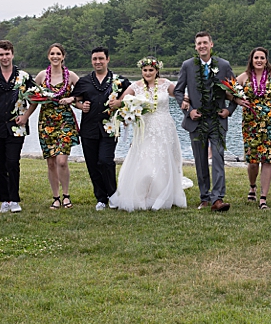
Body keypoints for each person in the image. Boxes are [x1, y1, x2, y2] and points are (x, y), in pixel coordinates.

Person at [109, 57, 187, 211]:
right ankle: (143, 193)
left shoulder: (165, 84)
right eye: (145, 70)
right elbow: (122, 101)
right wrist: (114, 105)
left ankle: (163, 193)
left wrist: (188, 101)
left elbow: (179, 95)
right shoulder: (135, 86)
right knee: (145, 158)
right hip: (145, 128)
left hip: (165, 127)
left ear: (157, 71)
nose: (148, 73)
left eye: (151, 70)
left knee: (163, 158)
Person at [174, 32, 237, 212]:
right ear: (195, 47)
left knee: (218, 157)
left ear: (211, 44)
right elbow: (178, 91)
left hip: (217, 120)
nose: (202, 46)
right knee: (200, 160)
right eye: (198, 43)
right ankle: (204, 197)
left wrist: (229, 110)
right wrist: (188, 110)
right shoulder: (188, 65)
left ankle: (218, 198)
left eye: (205, 43)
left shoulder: (223, 65)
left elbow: (236, 90)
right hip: (197, 120)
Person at [21, 43, 80, 209]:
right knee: (51, 162)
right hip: (46, 121)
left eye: (58, 54)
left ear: (63, 57)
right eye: (52, 53)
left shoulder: (71, 76)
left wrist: (73, 99)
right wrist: (25, 117)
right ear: (48, 56)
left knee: (62, 160)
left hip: (65, 120)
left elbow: (84, 91)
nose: (55, 56)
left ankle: (66, 195)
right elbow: (33, 100)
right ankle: (55, 197)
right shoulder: (41, 76)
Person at [0, 40, 35, 213]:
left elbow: (36, 99)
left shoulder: (24, 77)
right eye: (1, 54)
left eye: (7, 54)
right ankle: (4, 199)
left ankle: (14, 199)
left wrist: (25, 116)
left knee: (12, 162)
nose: (4, 57)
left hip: (16, 126)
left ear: (12, 54)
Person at [72, 47, 131, 211]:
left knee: (105, 160)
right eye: (95, 59)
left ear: (107, 59)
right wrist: (81, 105)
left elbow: (131, 98)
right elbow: (75, 99)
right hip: (88, 128)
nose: (98, 62)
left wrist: (120, 105)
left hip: (110, 127)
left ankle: (113, 194)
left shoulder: (119, 80)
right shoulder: (84, 81)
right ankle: (101, 197)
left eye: (101, 59)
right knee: (92, 164)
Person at [233, 47, 271, 210]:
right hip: (251, 124)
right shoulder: (243, 77)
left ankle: (263, 197)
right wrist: (237, 100)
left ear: (266, 60)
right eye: (256, 58)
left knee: (267, 160)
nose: (259, 60)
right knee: (253, 162)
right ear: (252, 59)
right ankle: (252, 185)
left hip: (270, 124)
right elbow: (228, 90)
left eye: (262, 58)